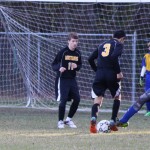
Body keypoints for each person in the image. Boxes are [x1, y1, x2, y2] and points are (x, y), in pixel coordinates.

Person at [88, 30, 126, 133]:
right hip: (112, 74)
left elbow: (90, 59)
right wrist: (118, 72)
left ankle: (93, 120)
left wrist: (97, 70)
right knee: (117, 96)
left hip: (99, 75)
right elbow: (114, 57)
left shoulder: (102, 44)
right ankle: (113, 120)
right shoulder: (118, 44)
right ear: (122, 38)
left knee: (98, 100)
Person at [51, 32, 82, 129]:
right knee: (63, 101)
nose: (75, 43)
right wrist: (59, 68)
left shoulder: (78, 53)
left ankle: (68, 119)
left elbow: (80, 65)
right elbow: (54, 64)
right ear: (68, 41)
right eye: (73, 41)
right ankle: (60, 121)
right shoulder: (63, 52)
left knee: (77, 99)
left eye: (76, 41)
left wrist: (77, 66)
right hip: (62, 79)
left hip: (72, 79)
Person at [139, 41, 150, 116]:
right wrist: (141, 77)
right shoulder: (146, 56)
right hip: (149, 76)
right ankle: (149, 110)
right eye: (149, 46)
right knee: (147, 94)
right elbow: (144, 67)